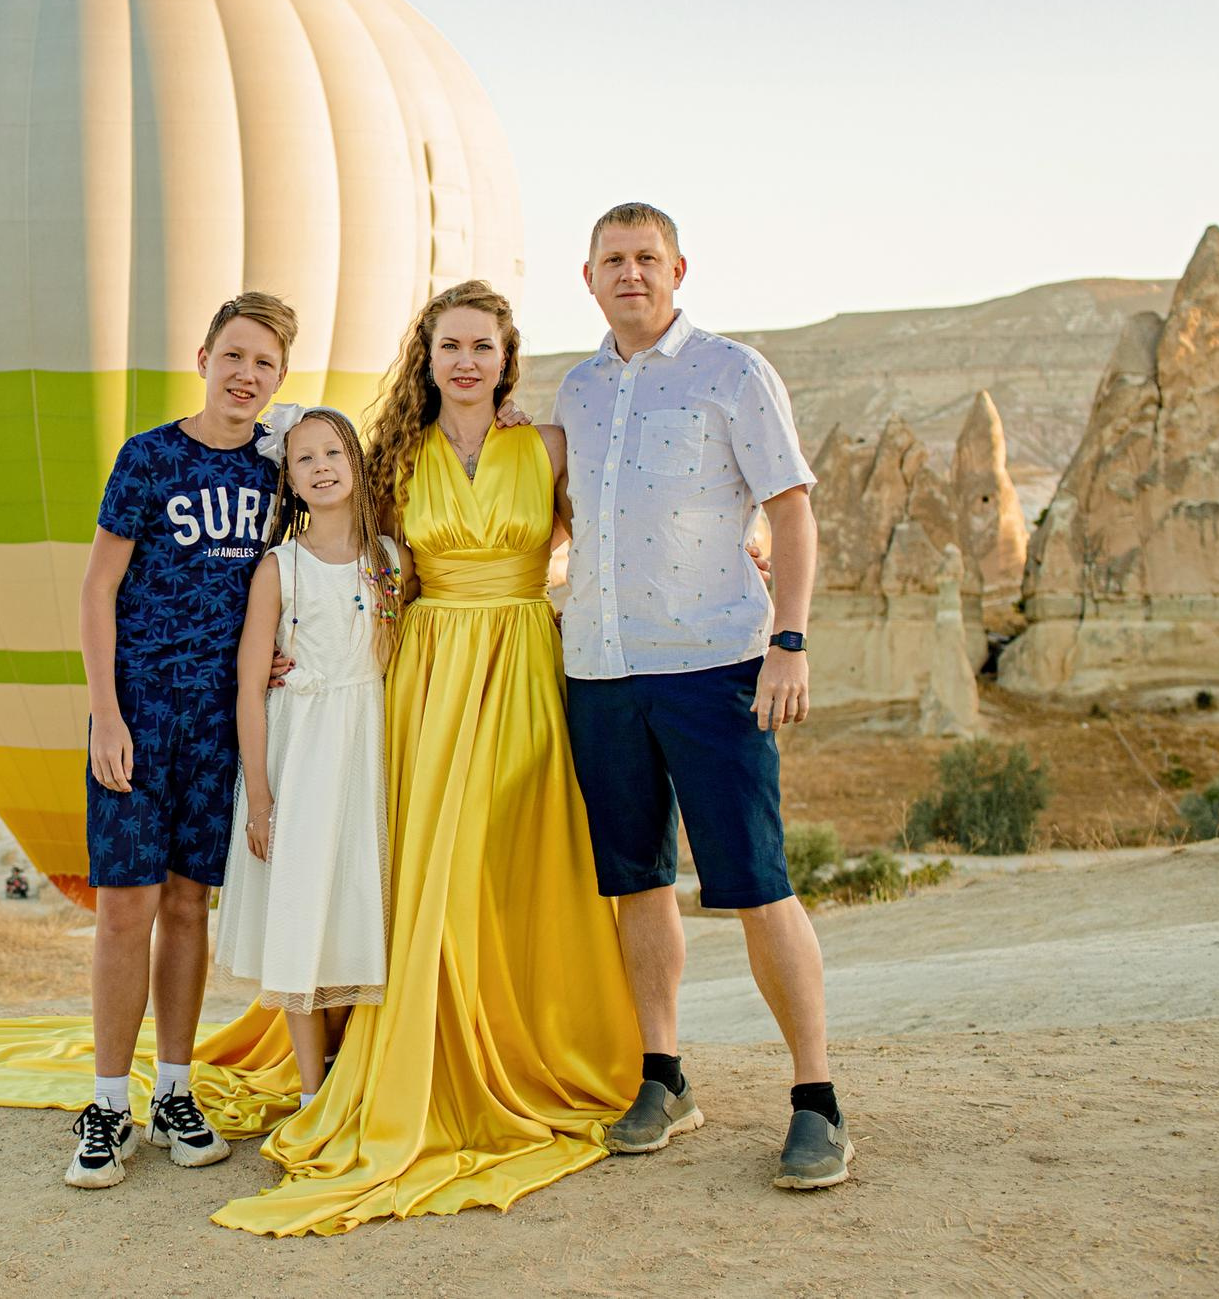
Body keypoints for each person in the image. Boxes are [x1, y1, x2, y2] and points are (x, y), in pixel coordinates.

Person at [210, 279, 640, 1236]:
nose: (467, 362)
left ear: (506, 355)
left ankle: (532, 1035)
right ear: (427, 356)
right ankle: (417, 1043)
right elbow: (354, 561)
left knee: (508, 856)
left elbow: (599, 538)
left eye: (483, 346)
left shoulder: (547, 445)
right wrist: (295, 651)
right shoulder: (395, 457)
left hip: (525, 658)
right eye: (451, 345)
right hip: (429, 672)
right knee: (426, 867)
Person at [553, 202, 849, 1190]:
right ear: (586, 276)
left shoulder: (732, 372)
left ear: (678, 268)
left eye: (646, 258)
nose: (629, 272)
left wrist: (790, 642)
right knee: (636, 882)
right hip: (598, 667)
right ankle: (664, 1074)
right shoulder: (580, 390)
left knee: (755, 883)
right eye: (612, 259)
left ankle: (815, 1100)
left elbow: (791, 515)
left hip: (715, 663)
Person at [68, 290, 295, 1188]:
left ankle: (173, 1087)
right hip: (140, 712)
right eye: (234, 356)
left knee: (192, 905)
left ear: (281, 378)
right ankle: (106, 1103)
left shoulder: (276, 475)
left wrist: (279, 654)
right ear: (204, 355)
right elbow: (96, 592)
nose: (246, 376)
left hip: (220, 721)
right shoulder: (149, 458)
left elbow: (300, 575)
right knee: (126, 903)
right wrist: (107, 713)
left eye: (265, 364)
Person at [213, 407, 398, 1107]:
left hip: (366, 748)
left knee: (356, 900)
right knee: (301, 907)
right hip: (303, 755)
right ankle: (312, 1091)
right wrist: (260, 797)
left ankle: (353, 1069)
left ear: (355, 461)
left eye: (332, 452)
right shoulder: (278, 567)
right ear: (288, 480)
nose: (321, 467)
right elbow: (250, 689)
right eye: (303, 459)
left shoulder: (389, 558)